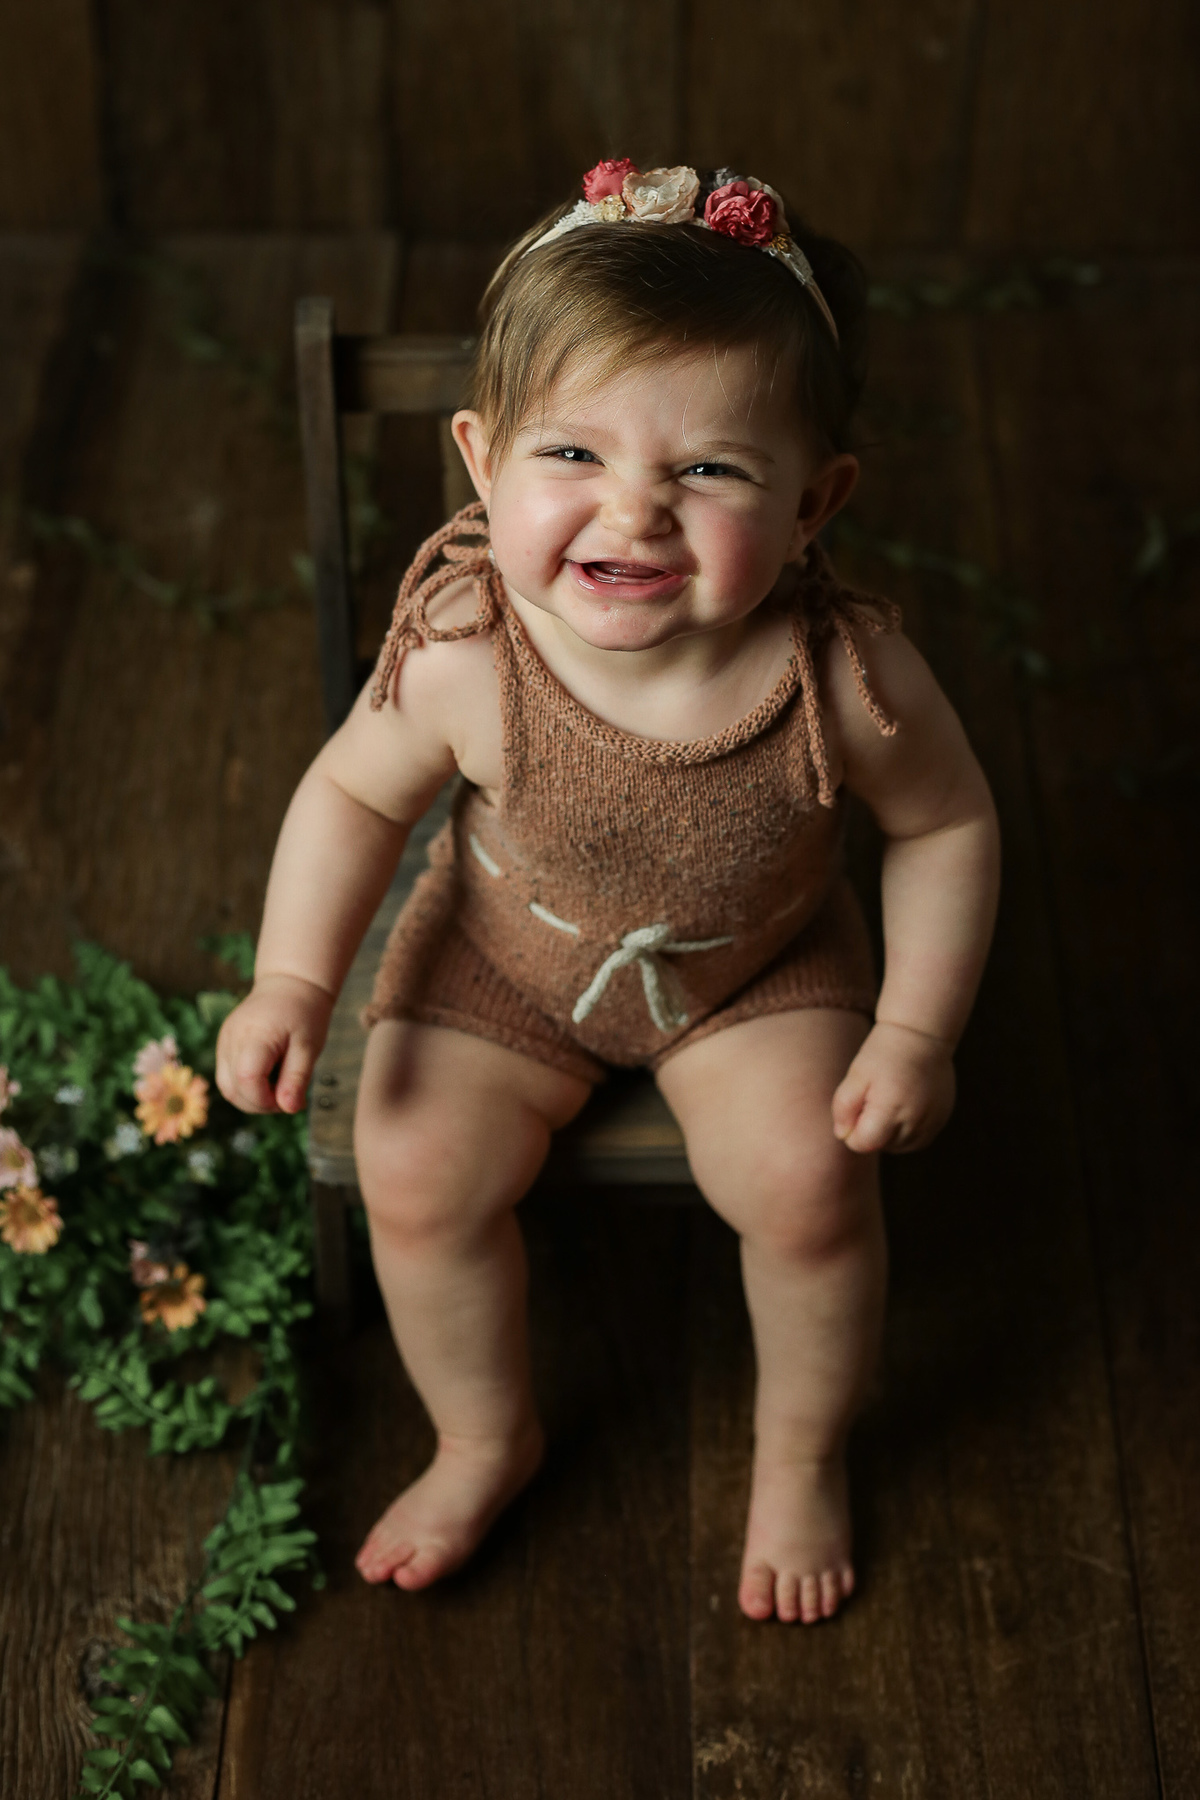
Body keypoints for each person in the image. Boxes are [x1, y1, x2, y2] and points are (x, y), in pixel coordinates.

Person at [216, 161, 1000, 1627]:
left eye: (710, 471)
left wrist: (915, 1030)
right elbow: (352, 798)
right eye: (571, 452)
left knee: (811, 1185)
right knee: (412, 1167)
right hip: (505, 954)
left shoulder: (843, 673)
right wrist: (294, 979)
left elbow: (949, 823)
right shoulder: (463, 648)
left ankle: (802, 1451)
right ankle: (483, 1436)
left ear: (816, 501)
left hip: (754, 969)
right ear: (480, 457)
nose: (632, 512)